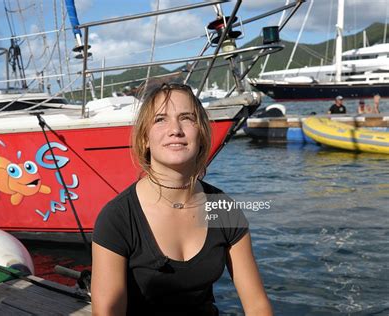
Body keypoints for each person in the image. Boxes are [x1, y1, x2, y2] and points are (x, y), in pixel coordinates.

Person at [91, 82, 272, 316]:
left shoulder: (223, 209)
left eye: (186, 118)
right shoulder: (119, 218)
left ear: (201, 132)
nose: (175, 129)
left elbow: (257, 305)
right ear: (145, 138)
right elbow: (107, 311)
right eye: (160, 119)